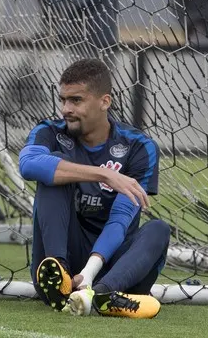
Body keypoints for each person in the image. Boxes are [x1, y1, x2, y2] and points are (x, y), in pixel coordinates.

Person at [19, 59, 170, 318]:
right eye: (63, 100)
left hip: (112, 270)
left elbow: (120, 221)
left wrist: (88, 276)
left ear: (104, 102)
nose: (66, 109)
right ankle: (61, 278)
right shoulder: (50, 132)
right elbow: (28, 164)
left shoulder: (139, 147)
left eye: (76, 100)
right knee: (52, 176)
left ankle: (101, 294)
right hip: (63, 260)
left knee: (159, 230)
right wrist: (106, 175)